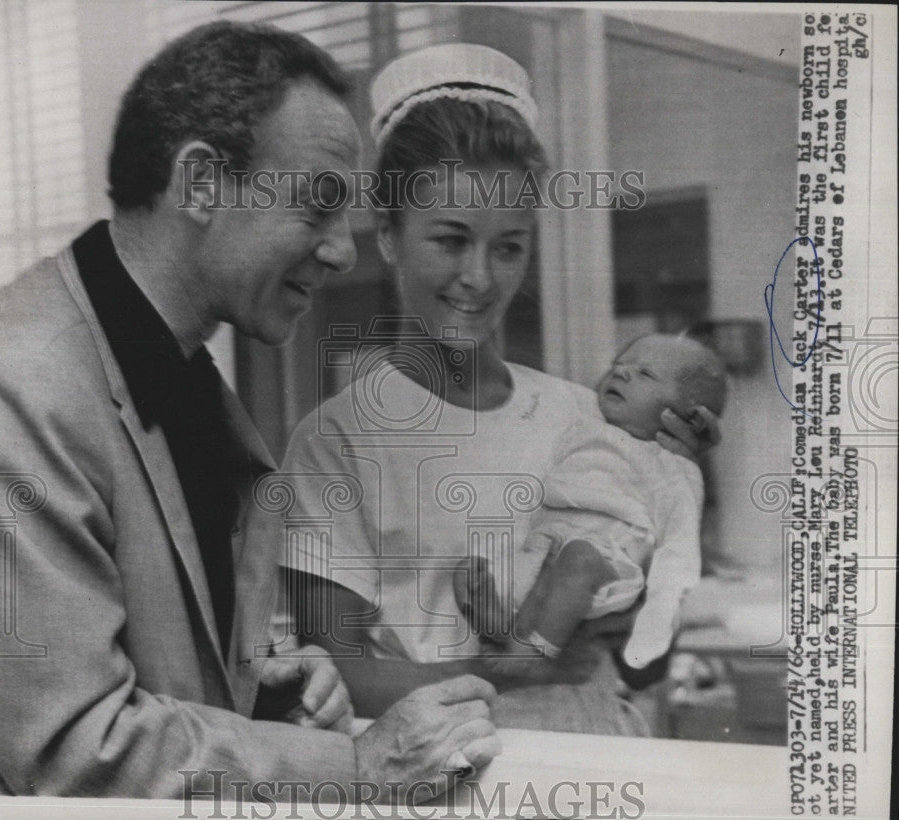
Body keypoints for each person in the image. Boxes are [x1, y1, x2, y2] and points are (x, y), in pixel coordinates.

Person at [0, 23, 500, 802]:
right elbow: (76, 749)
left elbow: (166, 678)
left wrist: (268, 688)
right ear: (200, 183)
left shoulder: (176, 373)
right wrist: (356, 767)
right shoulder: (4, 384)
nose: (342, 252)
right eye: (318, 207)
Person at [267, 44, 719, 733]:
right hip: (441, 780)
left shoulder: (583, 415)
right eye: (451, 239)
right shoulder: (336, 443)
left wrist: (680, 484)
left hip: (594, 763)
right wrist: (512, 670)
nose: (479, 277)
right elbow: (338, 677)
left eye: (508, 246)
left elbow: (644, 663)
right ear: (388, 235)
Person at [454, 333, 727, 676]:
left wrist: (657, 614)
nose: (620, 374)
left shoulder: (673, 465)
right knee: (483, 567)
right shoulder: (582, 425)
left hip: (609, 562)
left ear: (691, 416)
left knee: (577, 559)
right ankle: (500, 627)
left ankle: (535, 655)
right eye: (618, 366)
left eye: (646, 374)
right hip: (548, 544)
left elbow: (679, 545)